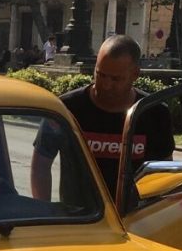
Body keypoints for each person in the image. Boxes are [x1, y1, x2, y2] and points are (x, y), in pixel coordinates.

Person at [30, 35, 173, 201]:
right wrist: (46, 215)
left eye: (115, 79)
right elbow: (41, 164)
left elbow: (166, 173)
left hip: (134, 221)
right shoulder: (67, 108)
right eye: (101, 74)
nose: (105, 85)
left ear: (135, 74)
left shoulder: (155, 113)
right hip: (82, 220)